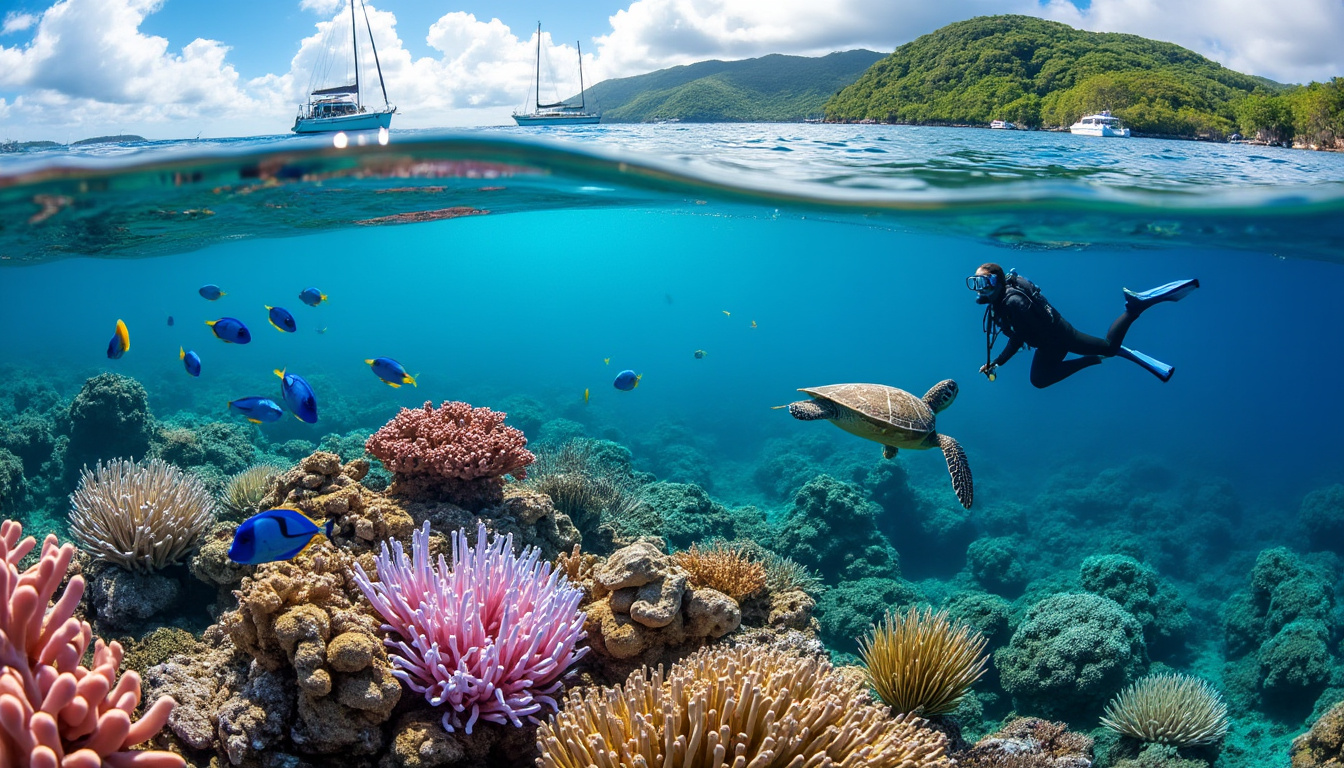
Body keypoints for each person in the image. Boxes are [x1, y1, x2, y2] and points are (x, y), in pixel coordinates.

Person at [969, 263, 1198, 387]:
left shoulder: (1013, 303)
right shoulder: (1000, 301)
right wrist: (997, 362)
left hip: (1059, 338)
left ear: (997, 282)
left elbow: (1018, 338)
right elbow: (1021, 336)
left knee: (1108, 347)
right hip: (1050, 342)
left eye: (984, 281)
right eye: (975, 281)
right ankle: (1100, 355)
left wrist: (998, 361)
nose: (980, 287)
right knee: (1039, 380)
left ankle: (1134, 307)